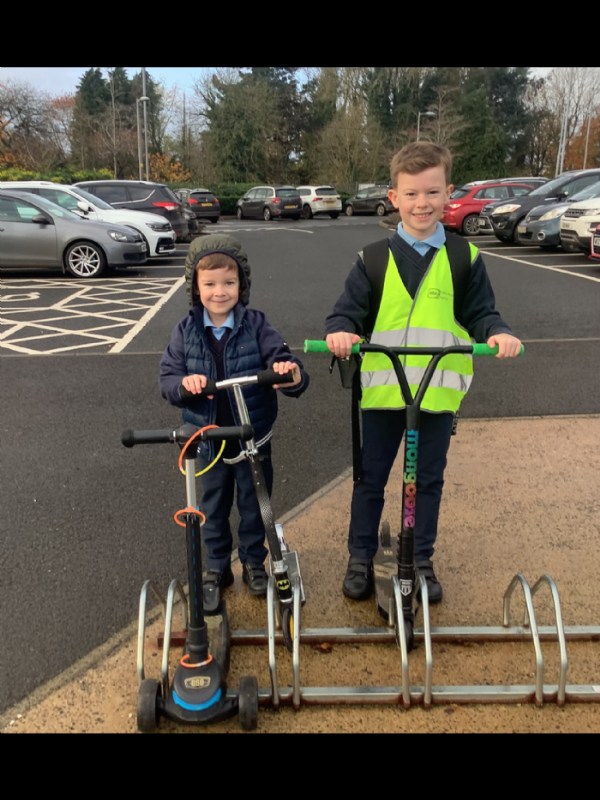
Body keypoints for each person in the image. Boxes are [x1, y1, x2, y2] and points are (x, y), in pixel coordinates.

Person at [325, 142, 522, 604]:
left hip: (435, 396)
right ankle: (360, 556)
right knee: (370, 479)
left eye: (432, 192)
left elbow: (482, 313)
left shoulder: (464, 258)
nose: (422, 203)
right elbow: (345, 314)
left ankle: (421, 558)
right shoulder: (372, 259)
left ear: (448, 193)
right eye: (411, 194)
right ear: (394, 197)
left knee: (425, 482)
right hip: (383, 395)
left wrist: (498, 332)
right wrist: (341, 332)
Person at [160, 235, 309, 611]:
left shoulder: (256, 325)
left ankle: (254, 563)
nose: (219, 292)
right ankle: (216, 567)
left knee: (256, 504)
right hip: (208, 440)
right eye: (209, 284)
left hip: (252, 438)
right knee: (211, 506)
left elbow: (284, 361)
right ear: (195, 287)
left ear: (242, 284)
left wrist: (288, 372)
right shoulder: (186, 331)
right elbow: (168, 379)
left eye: (228, 282)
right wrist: (184, 385)